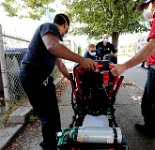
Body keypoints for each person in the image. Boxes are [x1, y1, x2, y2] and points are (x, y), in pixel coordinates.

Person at [19, 13, 97, 150]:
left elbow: (60, 64)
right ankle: (50, 146)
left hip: (44, 80)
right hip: (32, 78)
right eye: (68, 28)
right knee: (47, 117)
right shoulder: (48, 27)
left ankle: (57, 138)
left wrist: (71, 78)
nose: (66, 32)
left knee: (54, 115)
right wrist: (81, 59)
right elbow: (52, 46)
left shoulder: (54, 40)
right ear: (65, 25)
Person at [111, 0, 155, 150]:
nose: (144, 10)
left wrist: (124, 66)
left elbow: (151, 47)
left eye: (145, 6)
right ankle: (150, 129)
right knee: (147, 105)